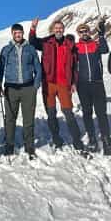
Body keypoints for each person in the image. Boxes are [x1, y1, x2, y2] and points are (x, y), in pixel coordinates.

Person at [29, 18, 83, 151]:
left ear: (63, 30)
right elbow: (32, 42)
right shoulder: (46, 42)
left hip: (64, 84)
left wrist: (74, 83)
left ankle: (77, 141)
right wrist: (33, 28)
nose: (58, 30)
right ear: (53, 29)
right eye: (56, 28)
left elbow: (74, 66)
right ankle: (56, 138)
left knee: (68, 113)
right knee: (51, 113)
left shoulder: (69, 44)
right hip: (49, 83)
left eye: (60, 28)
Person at [0, 23, 42, 158]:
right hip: (11, 88)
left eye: (20, 32)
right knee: (10, 119)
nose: (18, 35)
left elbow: (38, 68)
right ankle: (9, 145)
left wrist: (36, 85)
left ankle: (29, 146)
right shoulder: (6, 49)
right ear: (12, 34)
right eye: (15, 33)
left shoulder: (30, 49)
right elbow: (0, 68)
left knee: (28, 119)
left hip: (28, 88)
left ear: (22, 33)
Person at [75, 20, 111, 154]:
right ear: (78, 34)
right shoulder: (75, 48)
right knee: (87, 113)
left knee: (101, 114)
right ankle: (92, 140)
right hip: (82, 85)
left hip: (97, 83)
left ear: (89, 32)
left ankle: (107, 142)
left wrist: (101, 34)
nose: (84, 33)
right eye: (81, 32)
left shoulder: (95, 44)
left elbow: (105, 49)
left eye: (86, 31)